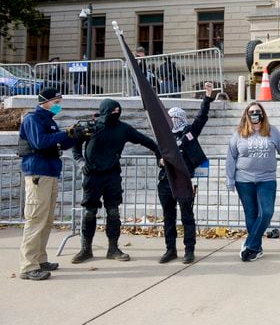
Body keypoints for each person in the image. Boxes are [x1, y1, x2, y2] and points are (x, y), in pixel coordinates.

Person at [71, 98, 162, 264]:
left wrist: (159, 155)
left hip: (112, 175)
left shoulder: (123, 128)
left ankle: (113, 248)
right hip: (92, 176)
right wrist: (81, 163)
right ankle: (86, 249)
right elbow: (75, 149)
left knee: (113, 212)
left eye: (118, 110)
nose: (116, 113)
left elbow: (147, 141)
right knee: (89, 212)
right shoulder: (90, 127)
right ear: (105, 110)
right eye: (113, 110)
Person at [225, 102, 280, 262]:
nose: (255, 114)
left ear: (262, 114)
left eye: (257, 111)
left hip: (266, 179)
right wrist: (230, 179)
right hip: (244, 180)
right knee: (251, 214)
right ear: (246, 115)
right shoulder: (239, 133)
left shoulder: (272, 132)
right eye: (251, 112)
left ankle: (250, 244)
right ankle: (257, 249)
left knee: (267, 212)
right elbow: (231, 157)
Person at [17, 88, 81, 280]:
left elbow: (59, 144)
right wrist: (65, 134)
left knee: (46, 221)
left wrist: (77, 135)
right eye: (56, 102)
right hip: (38, 173)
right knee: (36, 220)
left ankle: (40, 259)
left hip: (50, 172)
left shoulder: (49, 121)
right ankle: (28, 266)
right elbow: (40, 142)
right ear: (44, 102)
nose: (58, 106)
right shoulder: (32, 119)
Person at [157, 82, 215, 265]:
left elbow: (201, 118)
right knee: (169, 217)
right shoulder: (164, 136)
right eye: (171, 117)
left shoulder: (189, 134)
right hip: (166, 181)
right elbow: (159, 155)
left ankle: (189, 250)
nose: (174, 121)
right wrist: (159, 161)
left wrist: (207, 96)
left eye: (177, 117)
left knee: (187, 216)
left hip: (183, 180)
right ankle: (170, 249)